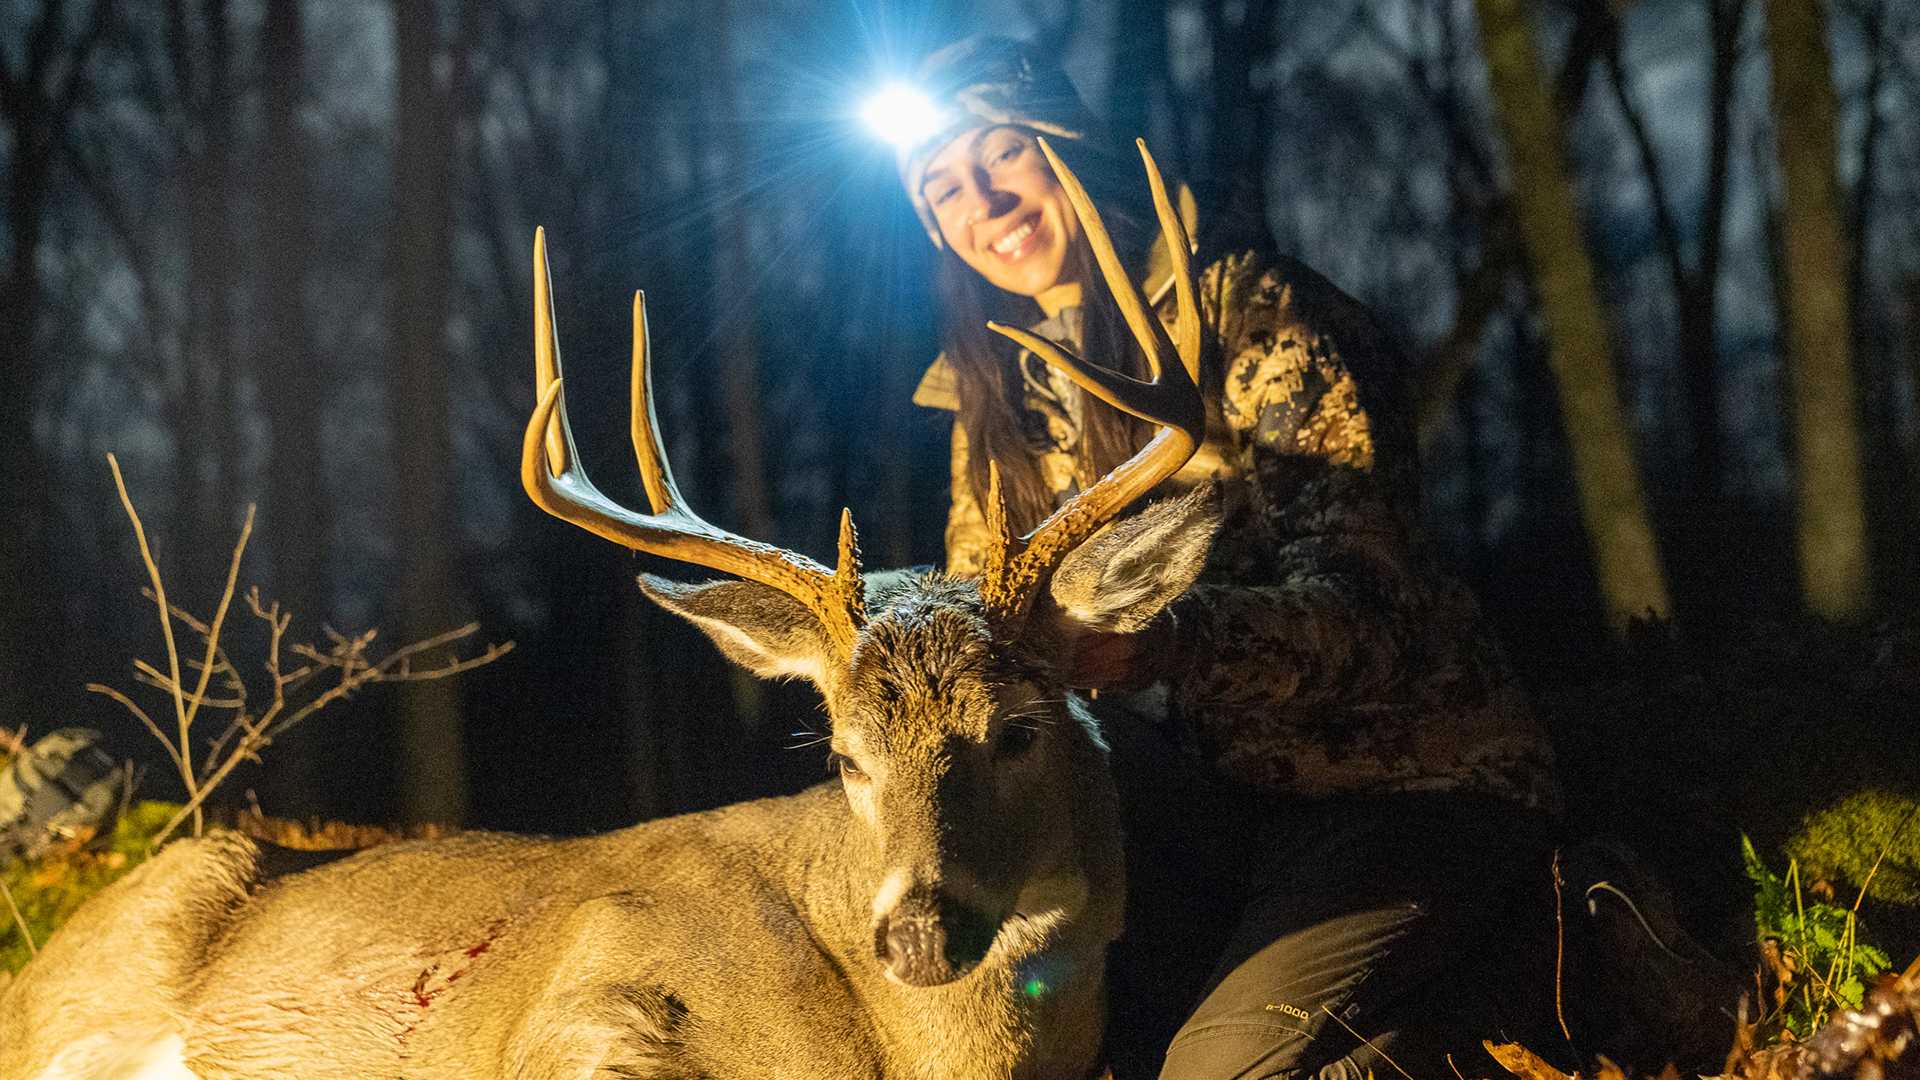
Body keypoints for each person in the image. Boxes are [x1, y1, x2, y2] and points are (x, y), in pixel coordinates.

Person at [892, 36, 1561, 1078]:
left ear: (1070, 147)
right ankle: (1470, 1004)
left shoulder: (1253, 312)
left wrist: (1167, 644)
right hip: (1194, 817)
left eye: (1005, 152)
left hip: (1400, 781)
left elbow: (1377, 610)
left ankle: (1562, 942)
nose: (987, 200)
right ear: (938, 230)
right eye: (944, 187)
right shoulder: (991, 409)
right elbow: (979, 619)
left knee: (1219, 1071)